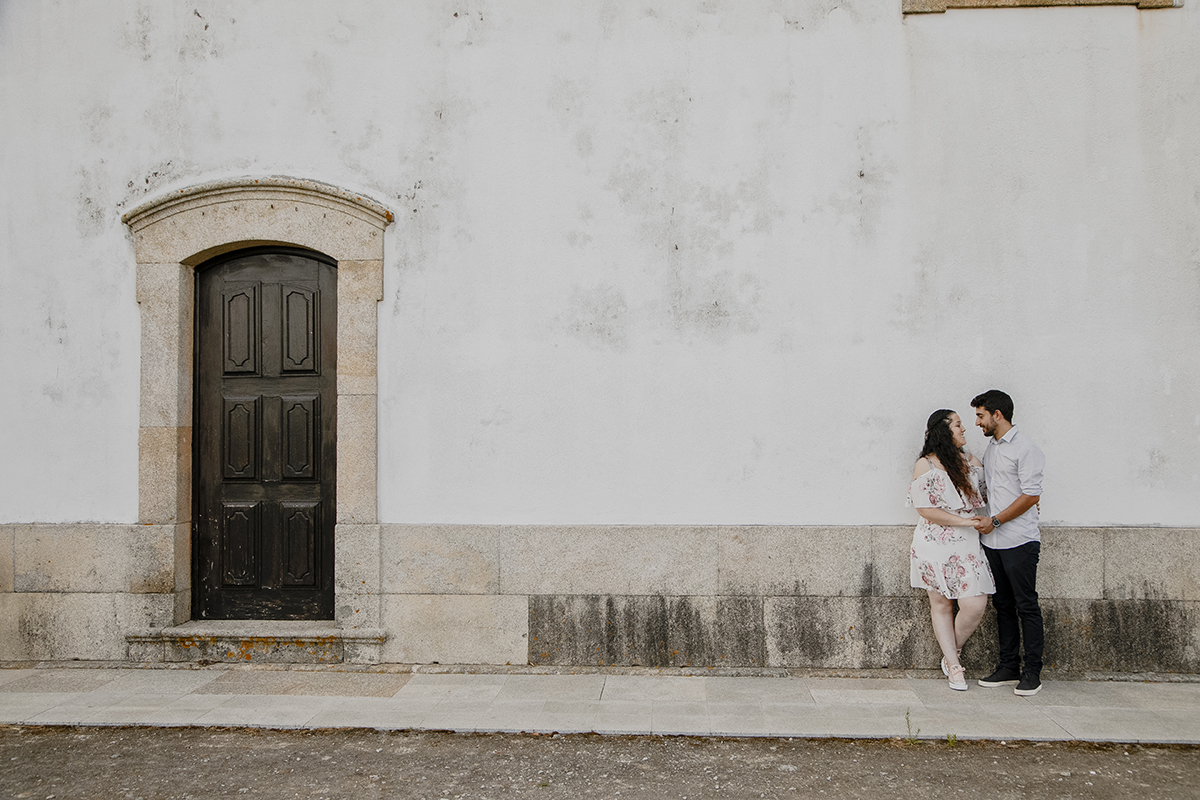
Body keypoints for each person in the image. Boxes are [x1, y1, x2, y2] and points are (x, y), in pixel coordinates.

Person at [907, 409, 995, 691]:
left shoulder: (971, 462)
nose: (964, 429)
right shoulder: (926, 465)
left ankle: (951, 652)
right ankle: (955, 667)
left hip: (967, 544)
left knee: (975, 604)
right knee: (941, 604)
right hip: (933, 543)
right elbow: (925, 509)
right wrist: (964, 522)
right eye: (957, 425)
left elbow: (990, 495)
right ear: (943, 431)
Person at [970, 389, 1046, 697]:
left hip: (1019, 541)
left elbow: (1031, 495)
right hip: (994, 542)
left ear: (997, 414)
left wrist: (996, 521)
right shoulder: (992, 449)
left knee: (1026, 605)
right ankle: (1008, 666)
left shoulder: (1025, 448)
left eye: (980, 415)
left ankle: (1032, 673)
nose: (977, 422)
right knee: (1002, 605)